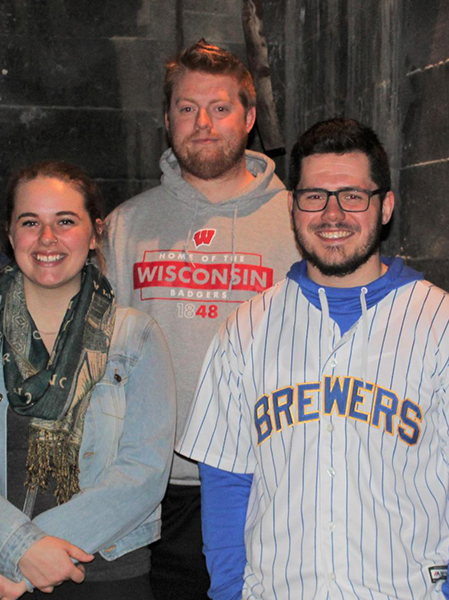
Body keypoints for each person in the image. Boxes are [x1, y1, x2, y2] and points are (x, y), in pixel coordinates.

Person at [177, 119, 449, 600]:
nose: (332, 213)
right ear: (292, 207)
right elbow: (226, 480)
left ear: (384, 206)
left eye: (352, 196)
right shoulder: (244, 330)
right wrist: (227, 594)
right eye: (314, 196)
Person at [0, 161, 176, 600]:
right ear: (11, 236)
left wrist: (31, 560)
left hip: (103, 573)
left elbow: (143, 471)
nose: (47, 238)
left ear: (94, 234)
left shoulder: (137, 337)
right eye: (30, 222)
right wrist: (18, 547)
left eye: (65, 222)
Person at [102, 39, 300, 598]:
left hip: (267, 482)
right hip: (150, 489)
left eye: (220, 108)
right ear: (167, 120)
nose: (203, 123)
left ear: (250, 117)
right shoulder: (126, 226)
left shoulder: (299, 224)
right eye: (187, 109)